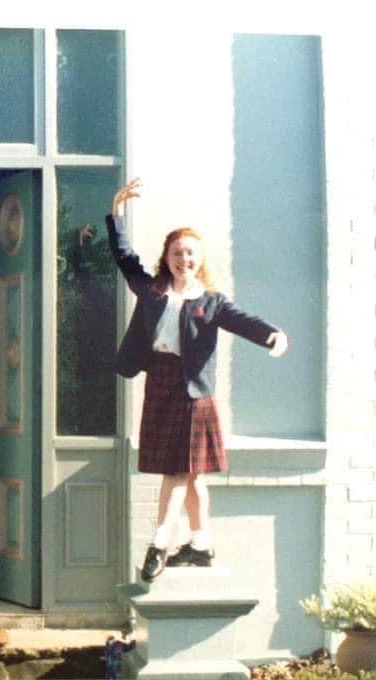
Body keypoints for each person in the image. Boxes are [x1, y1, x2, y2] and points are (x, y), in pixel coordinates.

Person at [105, 178, 288, 581]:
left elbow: (242, 321)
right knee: (192, 475)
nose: (183, 258)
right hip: (160, 382)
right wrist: (117, 213)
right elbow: (125, 258)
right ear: (167, 257)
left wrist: (272, 334)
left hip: (193, 391)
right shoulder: (151, 290)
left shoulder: (211, 301)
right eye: (176, 252)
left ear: (199, 258)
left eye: (190, 253)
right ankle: (201, 543)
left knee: (178, 471)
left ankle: (159, 543)